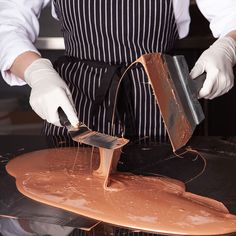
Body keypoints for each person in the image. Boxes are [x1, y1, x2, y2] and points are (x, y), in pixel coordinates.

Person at [0, 0, 236, 235]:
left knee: (161, 213)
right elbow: (7, 24)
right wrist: (36, 72)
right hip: (76, 105)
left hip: (160, 106)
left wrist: (228, 47)